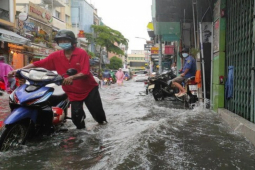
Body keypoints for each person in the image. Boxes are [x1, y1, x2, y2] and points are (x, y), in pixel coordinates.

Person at [8, 29, 107, 129]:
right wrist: (18, 70)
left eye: (66, 40)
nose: (63, 43)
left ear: (72, 42)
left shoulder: (81, 53)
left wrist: (72, 77)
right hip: (72, 92)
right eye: (61, 41)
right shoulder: (56, 55)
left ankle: (102, 129)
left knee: (99, 116)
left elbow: (85, 71)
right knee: (76, 118)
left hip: (89, 89)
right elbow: (38, 63)